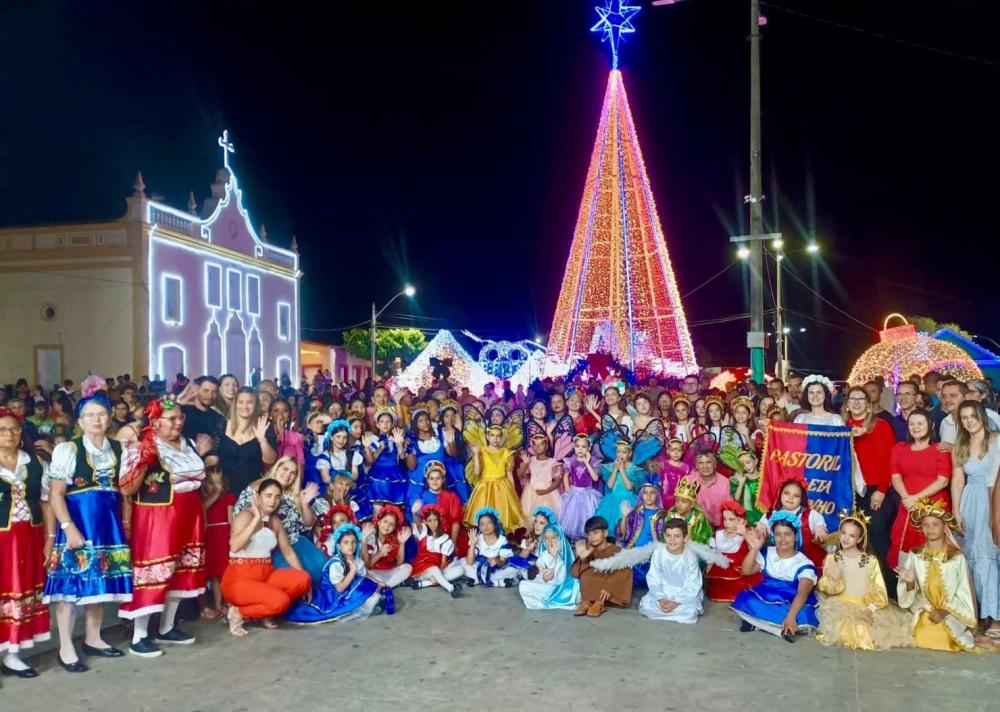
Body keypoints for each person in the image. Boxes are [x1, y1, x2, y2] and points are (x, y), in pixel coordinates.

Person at [43, 391, 132, 673]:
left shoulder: (118, 449)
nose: (96, 419)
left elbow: (126, 493)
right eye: (90, 415)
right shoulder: (68, 449)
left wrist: (126, 525)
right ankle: (65, 646)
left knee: (100, 582)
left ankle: (94, 638)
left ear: (109, 419)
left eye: (102, 414)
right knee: (70, 586)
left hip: (108, 524)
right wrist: (68, 528)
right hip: (79, 524)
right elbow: (56, 495)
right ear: (80, 421)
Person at [117, 396, 207, 659]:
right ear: (155, 422)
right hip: (157, 517)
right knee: (155, 571)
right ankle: (140, 635)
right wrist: (144, 461)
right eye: (172, 419)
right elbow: (126, 488)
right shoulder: (142, 446)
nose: (178, 423)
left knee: (182, 570)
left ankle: (167, 627)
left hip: (189, 515)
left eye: (181, 418)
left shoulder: (187, 444)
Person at [221, 478, 311, 637]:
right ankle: (238, 612)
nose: (273, 501)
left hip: (265, 573)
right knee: (280, 602)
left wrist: (307, 583)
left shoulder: (275, 521)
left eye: (277, 497)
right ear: (258, 496)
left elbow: (287, 551)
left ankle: (263, 612)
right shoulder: (245, 516)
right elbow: (235, 546)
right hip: (239, 579)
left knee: (303, 579)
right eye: (268, 496)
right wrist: (256, 519)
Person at [816, 509, 914, 650]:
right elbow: (829, 589)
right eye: (843, 533)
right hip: (842, 605)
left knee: (871, 630)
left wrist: (869, 611)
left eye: (852, 535)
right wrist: (835, 578)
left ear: (860, 539)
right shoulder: (833, 559)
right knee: (851, 630)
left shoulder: (870, 561)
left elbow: (879, 591)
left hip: (868, 606)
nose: (846, 538)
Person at [0, 409, 50, 677]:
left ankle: (13, 652)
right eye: (2, 429)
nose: (9, 434)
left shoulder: (34, 463)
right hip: (1, 538)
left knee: (21, 588)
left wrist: (50, 538)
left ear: (21, 433)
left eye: (14, 429)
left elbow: (46, 501)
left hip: (28, 536)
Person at [895, 498, 979, 652]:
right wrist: (910, 582)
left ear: (944, 527)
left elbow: (963, 591)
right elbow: (911, 596)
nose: (930, 529)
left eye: (935, 524)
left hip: (951, 611)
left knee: (945, 635)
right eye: (925, 525)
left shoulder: (955, 557)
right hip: (925, 609)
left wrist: (945, 611)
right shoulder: (915, 554)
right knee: (924, 633)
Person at [233, 457, 329, 584]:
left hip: (296, 544)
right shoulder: (256, 488)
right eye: (285, 469)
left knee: (321, 568)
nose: (288, 474)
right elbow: (240, 520)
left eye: (293, 473)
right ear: (276, 467)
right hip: (269, 549)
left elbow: (308, 524)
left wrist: (304, 504)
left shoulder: (292, 495)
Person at [950, 400, 1000, 636]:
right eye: (964, 417)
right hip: (970, 501)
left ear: (981, 416)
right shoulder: (960, 445)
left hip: (993, 499)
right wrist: (956, 510)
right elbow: (958, 480)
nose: (969, 421)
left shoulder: (996, 439)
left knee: (989, 557)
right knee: (970, 558)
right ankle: (976, 613)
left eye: (972, 416)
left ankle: (995, 616)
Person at [732, 511, 819, 641]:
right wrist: (754, 548)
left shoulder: (804, 563)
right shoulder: (768, 553)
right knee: (744, 599)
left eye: (787, 534)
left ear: (796, 536)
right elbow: (746, 571)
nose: (782, 539)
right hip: (765, 595)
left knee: (802, 614)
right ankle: (778, 630)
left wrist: (790, 617)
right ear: (773, 535)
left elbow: (802, 593)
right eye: (778, 534)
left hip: (792, 601)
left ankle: (757, 623)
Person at [844, 385, 898, 584]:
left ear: (868, 405)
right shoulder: (842, 428)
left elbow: (891, 460)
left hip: (877, 490)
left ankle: (888, 587)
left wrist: (883, 490)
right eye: (852, 398)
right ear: (847, 404)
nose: (856, 402)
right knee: (854, 538)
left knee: (877, 536)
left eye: (861, 399)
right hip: (852, 492)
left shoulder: (880, 425)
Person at [887, 410, 952, 572]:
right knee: (905, 548)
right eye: (911, 424)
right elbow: (895, 477)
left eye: (920, 423)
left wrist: (916, 498)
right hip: (908, 504)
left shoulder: (940, 449)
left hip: (933, 505)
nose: (915, 427)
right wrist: (906, 498)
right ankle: (908, 591)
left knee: (933, 545)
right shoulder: (900, 449)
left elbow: (943, 480)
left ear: (931, 426)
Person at [637, 518, 704, 624]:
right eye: (669, 536)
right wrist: (660, 598)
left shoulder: (690, 556)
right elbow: (653, 577)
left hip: (684, 592)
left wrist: (676, 602)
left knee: (690, 612)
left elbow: (693, 583)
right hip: (663, 590)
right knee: (646, 606)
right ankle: (668, 610)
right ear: (664, 536)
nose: (672, 540)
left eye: (677, 536)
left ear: (685, 538)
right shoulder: (659, 552)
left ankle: (671, 610)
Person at [756, 476, 828, 573]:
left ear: (801, 498)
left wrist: (820, 530)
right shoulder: (770, 515)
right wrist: (760, 528)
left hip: (806, 562)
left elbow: (819, 527)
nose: (790, 498)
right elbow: (761, 528)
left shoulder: (811, 515)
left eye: (796, 495)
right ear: (780, 494)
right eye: (787, 493)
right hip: (781, 562)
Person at [464, 423, 524, 533]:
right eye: (492, 435)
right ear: (487, 436)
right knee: (486, 516)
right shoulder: (482, 451)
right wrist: (476, 454)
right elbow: (477, 472)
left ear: (502, 437)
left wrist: (513, 494)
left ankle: (499, 540)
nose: (495, 439)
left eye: (498, 436)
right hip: (485, 488)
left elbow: (509, 474)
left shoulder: (506, 453)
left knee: (502, 515)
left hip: (502, 487)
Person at [570, 516, 633, 618]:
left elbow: (626, 572)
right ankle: (587, 601)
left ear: (605, 533)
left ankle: (599, 602)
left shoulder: (616, 550)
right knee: (588, 572)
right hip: (593, 584)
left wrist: (610, 587)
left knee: (620, 569)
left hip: (607, 588)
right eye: (589, 534)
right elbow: (575, 573)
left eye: (596, 533)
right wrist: (582, 558)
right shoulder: (588, 550)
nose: (592, 537)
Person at [218, 387, 276, 496]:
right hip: (223, 490)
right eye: (241, 402)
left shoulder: (264, 425)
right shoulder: (222, 424)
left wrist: (262, 439)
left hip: (251, 490)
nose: (244, 406)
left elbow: (270, 460)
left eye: (249, 402)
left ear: (256, 405)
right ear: (235, 404)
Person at [448, 507, 519, 587]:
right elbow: (470, 562)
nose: (486, 526)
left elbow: (503, 563)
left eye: (489, 523)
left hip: (497, 568)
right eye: (482, 524)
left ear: (495, 524)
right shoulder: (478, 538)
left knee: (512, 571)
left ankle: (478, 580)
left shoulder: (502, 540)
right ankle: (498, 582)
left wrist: (496, 560)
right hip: (480, 567)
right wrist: (473, 544)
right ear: (480, 527)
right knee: (465, 565)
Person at [705, 500, 761, 602]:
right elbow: (711, 556)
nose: (727, 523)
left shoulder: (746, 535)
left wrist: (744, 534)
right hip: (719, 576)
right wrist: (709, 569)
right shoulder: (717, 535)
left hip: (738, 576)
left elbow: (755, 549)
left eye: (731, 519)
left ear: (742, 520)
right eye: (725, 519)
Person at [518, 522, 580, 611]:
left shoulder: (565, 555)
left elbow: (564, 579)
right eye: (546, 538)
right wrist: (542, 577)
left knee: (577, 590)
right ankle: (549, 599)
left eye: (553, 537)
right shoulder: (544, 554)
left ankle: (552, 600)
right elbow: (536, 574)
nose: (550, 542)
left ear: (560, 538)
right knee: (523, 585)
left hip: (565, 588)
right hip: (549, 587)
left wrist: (555, 558)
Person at [617, 483, 667, 587]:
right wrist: (625, 517)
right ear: (641, 495)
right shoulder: (635, 512)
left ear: (657, 495)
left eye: (652, 493)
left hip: (652, 556)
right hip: (633, 553)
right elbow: (623, 534)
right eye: (645, 493)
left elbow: (663, 540)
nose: (648, 496)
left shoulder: (662, 515)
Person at [594, 438, 648, 534]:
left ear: (629, 454)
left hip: (628, 500)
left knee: (628, 528)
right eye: (618, 451)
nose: (620, 454)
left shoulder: (634, 469)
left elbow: (629, 487)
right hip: (613, 500)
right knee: (609, 527)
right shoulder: (611, 467)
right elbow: (610, 486)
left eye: (623, 452)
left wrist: (622, 470)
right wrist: (615, 469)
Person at [201, 466, 235, 620]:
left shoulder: (228, 497)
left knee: (226, 571)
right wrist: (215, 494)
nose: (215, 487)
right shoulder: (203, 499)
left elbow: (230, 519)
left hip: (224, 534)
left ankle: (229, 602)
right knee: (215, 574)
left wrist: (233, 536)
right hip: (211, 535)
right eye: (211, 483)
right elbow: (204, 508)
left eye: (218, 483)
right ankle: (217, 604)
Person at [408, 503, 461, 597]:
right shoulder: (424, 533)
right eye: (429, 521)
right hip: (422, 570)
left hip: (438, 568)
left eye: (435, 520)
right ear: (425, 522)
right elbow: (418, 524)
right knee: (434, 569)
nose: (433, 523)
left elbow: (443, 562)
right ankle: (451, 588)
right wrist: (415, 513)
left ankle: (425, 584)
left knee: (460, 570)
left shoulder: (445, 538)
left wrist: (439, 572)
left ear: (440, 520)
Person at [559, 433, 602, 539]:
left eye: (583, 447)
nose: (580, 449)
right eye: (577, 446)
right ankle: (574, 539)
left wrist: (587, 463)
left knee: (587, 514)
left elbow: (595, 478)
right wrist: (568, 488)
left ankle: (587, 537)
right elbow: (566, 475)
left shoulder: (593, 462)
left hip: (588, 493)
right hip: (574, 492)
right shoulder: (571, 461)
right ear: (574, 447)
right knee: (574, 516)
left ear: (589, 448)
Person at [363, 504, 413, 589]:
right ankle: (383, 586)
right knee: (363, 573)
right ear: (378, 522)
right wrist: (380, 553)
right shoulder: (370, 537)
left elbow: (399, 563)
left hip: (389, 573)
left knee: (408, 567)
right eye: (385, 521)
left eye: (391, 524)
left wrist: (401, 543)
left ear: (394, 528)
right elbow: (367, 565)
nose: (387, 526)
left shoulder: (393, 539)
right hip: (373, 574)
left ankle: (385, 587)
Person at [519, 432, 563, 522]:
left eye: (541, 444)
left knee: (546, 517)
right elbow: (520, 475)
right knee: (530, 517)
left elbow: (557, 481)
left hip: (548, 492)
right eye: (535, 444)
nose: (538, 447)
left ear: (546, 446)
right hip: (531, 492)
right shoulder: (530, 460)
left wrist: (545, 491)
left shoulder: (553, 462)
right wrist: (526, 463)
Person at [665, 476, 712, 545]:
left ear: (692, 505)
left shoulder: (699, 517)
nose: (679, 504)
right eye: (677, 501)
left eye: (683, 502)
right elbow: (665, 537)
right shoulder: (671, 516)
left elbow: (703, 539)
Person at [692, 450, 730, 528]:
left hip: (720, 526)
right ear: (696, 466)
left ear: (714, 464)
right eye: (701, 463)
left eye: (708, 462)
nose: (705, 466)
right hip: (696, 525)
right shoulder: (690, 480)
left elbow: (729, 510)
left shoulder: (725, 482)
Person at [655, 437, 690, 511]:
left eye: (679, 450)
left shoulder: (686, 468)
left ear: (683, 451)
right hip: (664, 498)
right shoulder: (663, 465)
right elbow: (658, 482)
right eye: (673, 450)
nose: (676, 453)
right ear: (668, 451)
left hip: (678, 499)